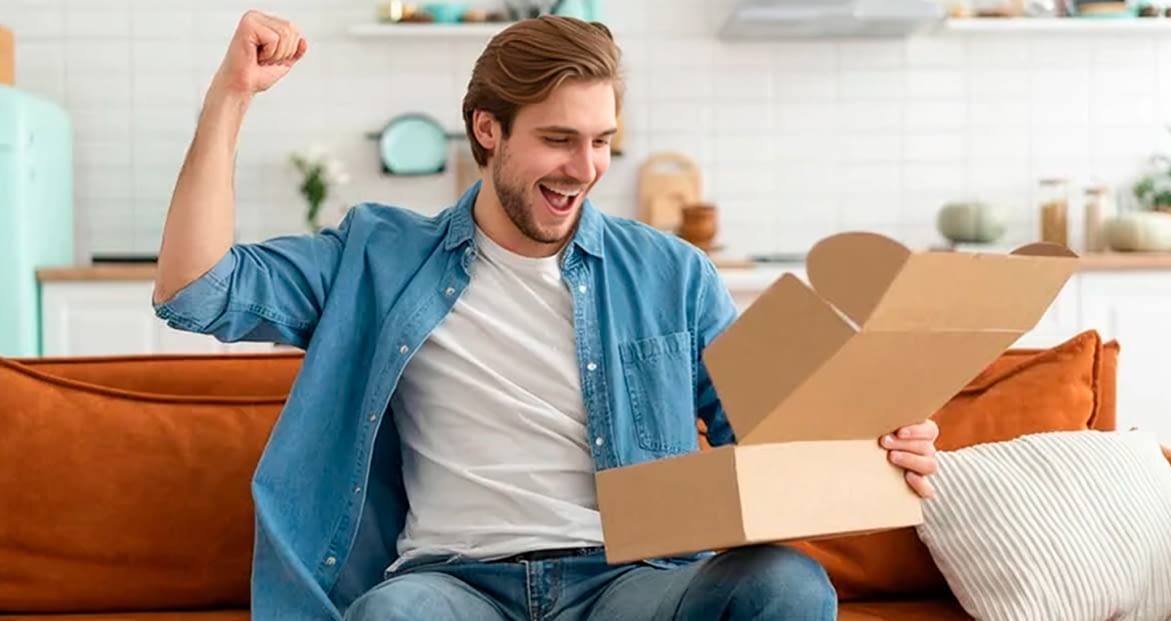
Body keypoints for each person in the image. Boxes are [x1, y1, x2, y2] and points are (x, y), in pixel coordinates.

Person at [152, 10, 940, 621]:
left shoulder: (673, 270)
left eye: (601, 141)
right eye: (559, 139)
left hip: (631, 582)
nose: (586, 168)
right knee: (392, 613)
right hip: (454, 584)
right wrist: (231, 95)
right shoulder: (379, 254)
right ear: (487, 131)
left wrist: (876, 442)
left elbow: (775, 441)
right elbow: (194, 291)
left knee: (786, 583)